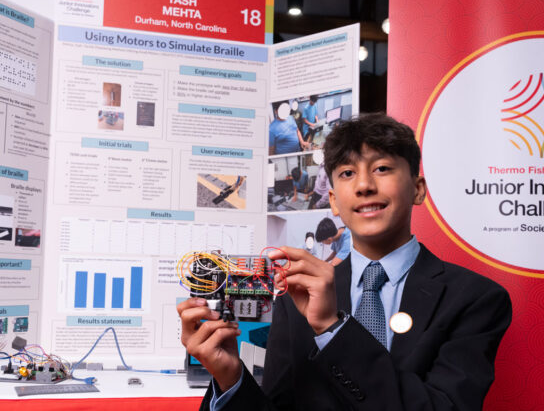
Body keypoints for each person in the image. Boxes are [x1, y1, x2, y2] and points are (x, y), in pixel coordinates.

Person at [177, 113, 512, 411]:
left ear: (418, 189)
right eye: (348, 173)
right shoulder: (295, 299)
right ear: (334, 202)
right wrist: (230, 377)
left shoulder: (475, 299)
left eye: (382, 168)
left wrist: (332, 328)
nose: (364, 185)